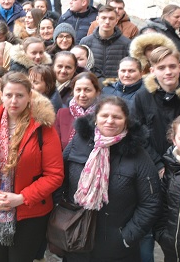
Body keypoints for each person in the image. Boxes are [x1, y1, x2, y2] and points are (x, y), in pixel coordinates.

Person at [0, 72, 64, 261]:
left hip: (30, 212)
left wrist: (22, 198)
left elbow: (54, 174)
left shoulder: (43, 127)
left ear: (29, 96)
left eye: (20, 95)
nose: (14, 101)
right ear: (1, 95)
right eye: (9, 95)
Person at [58, 97, 160, 261]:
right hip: (75, 237)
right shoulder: (79, 142)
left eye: (117, 117)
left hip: (116, 248)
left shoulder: (138, 154)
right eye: (105, 115)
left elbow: (151, 202)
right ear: (96, 118)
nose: (110, 121)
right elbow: (59, 179)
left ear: (126, 121)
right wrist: (62, 214)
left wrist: (126, 237)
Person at [155, 113, 180, 261]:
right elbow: (162, 205)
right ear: (174, 140)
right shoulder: (171, 167)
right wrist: (163, 236)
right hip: (173, 252)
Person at [79, 6, 131, 79]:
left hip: (115, 87)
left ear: (116, 21)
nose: (107, 22)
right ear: (97, 19)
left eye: (111, 18)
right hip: (91, 85)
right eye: (103, 18)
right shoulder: (85, 42)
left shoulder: (126, 44)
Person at [54, 72, 101, 150]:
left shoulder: (103, 116)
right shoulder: (62, 114)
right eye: (78, 90)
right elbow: (55, 146)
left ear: (97, 92)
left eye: (87, 90)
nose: (82, 95)